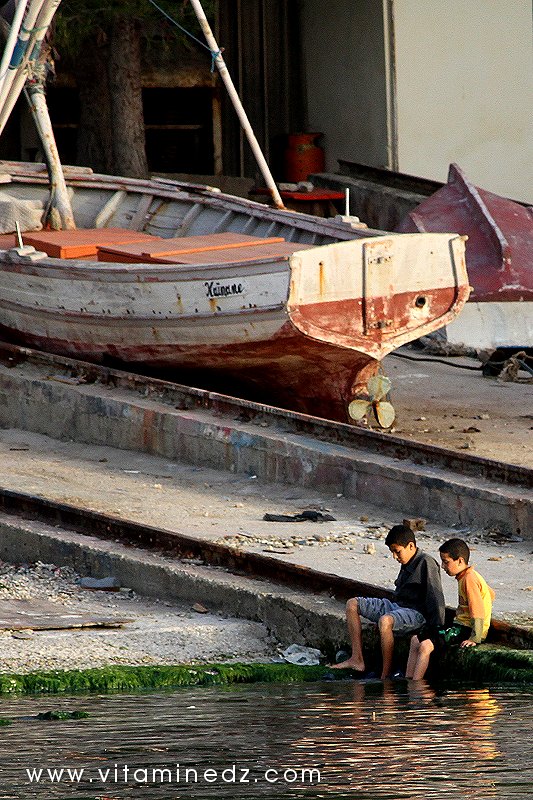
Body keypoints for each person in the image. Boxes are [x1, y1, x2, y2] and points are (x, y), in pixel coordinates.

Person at [332, 524, 445, 679]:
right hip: (397, 606)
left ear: (411, 546)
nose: (394, 556)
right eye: (392, 552)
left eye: (397, 552)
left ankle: (385, 676)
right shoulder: (406, 562)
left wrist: (437, 630)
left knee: (385, 621)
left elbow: (435, 598)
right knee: (352, 604)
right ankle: (357, 659)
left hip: (416, 613)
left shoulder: (426, 562)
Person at [406, 537, 495, 680]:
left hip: (466, 629)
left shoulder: (469, 579)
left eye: (446, 562)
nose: (442, 566)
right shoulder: (468, 576)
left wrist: (475, 637)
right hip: (458, 625)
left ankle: (415, 688)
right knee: (415, 640)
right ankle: (408, 679)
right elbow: (490, 594)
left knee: (425, 646)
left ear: (460, 561)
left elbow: (477, 609)